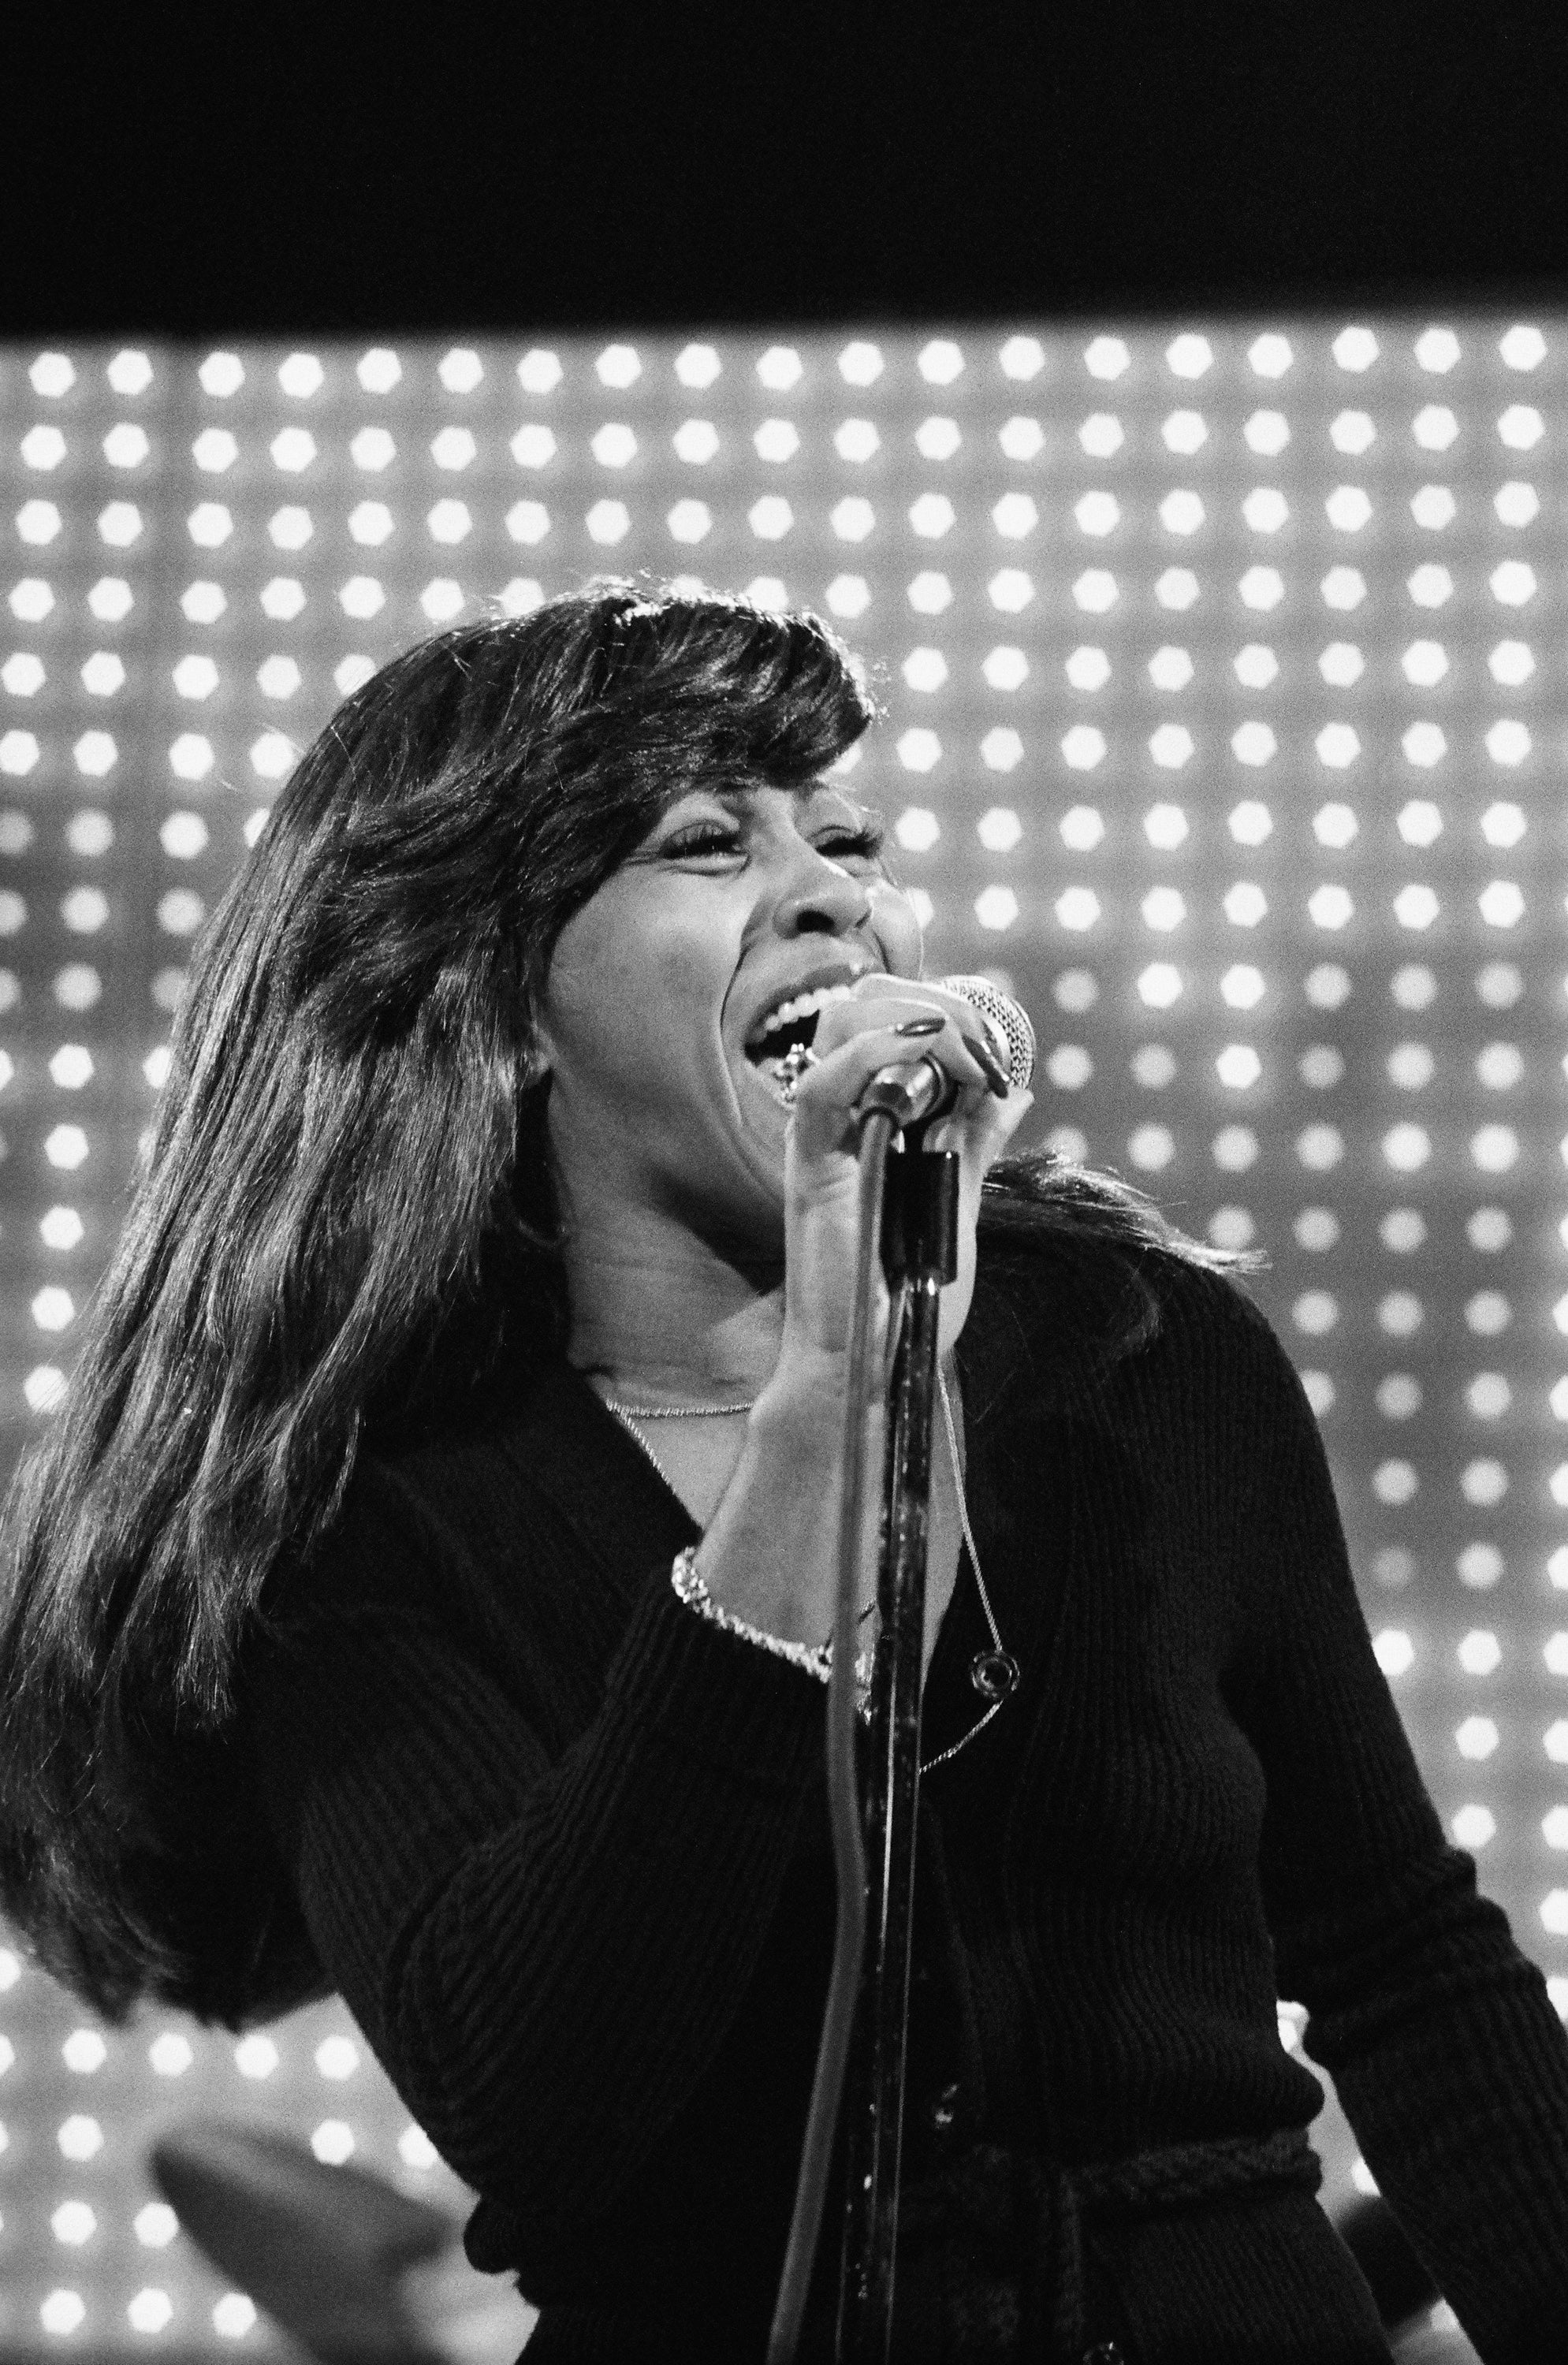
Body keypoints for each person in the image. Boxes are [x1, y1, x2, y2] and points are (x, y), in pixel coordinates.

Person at [1, 575, 1566, 2365]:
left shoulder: (1138, 1357)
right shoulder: (362, 1510)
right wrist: (829, 1395)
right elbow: (537, 2100)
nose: (829, 889)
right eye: (703, 842)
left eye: (844, 835)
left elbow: (1403, 1961)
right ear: (498, 1002)